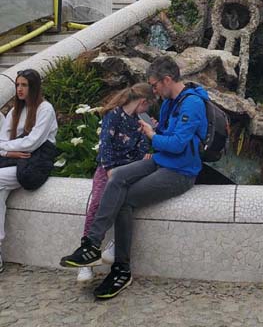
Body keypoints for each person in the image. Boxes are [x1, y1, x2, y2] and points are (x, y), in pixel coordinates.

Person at [60, 57, 208, 300]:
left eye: (155, 84)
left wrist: (152, 134)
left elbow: (179, 144)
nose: (154, 90)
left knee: (125, 199)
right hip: (161, 160)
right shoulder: (172, 101)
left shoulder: (191, 104)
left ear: (167, 80)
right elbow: (169, 135)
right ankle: (91, 245)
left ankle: (121, 269)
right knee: (117, 177)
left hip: (180, 171)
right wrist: (157, 131)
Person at [75, 83, 154, 284]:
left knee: (124, 201)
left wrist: (144, 153)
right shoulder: (113, 115)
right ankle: (86, 260)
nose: (147, 112)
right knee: (97, 203)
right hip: (107, 169)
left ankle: (113, 244)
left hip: (127, 172)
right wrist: (110, 169)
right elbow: (105, 145)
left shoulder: (140, 123)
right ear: (143, 102)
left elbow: (140, 150)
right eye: (148, 107)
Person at [0, 69, 57, 274]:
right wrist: (11, 152)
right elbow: (1, 142)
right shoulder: (16, 111)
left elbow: (33, 143)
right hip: (15, 163)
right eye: (17, 85)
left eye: (24, 85)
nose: (19, 89)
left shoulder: (45, 109)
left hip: (34, 165)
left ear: (34, 87)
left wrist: (8, 150)